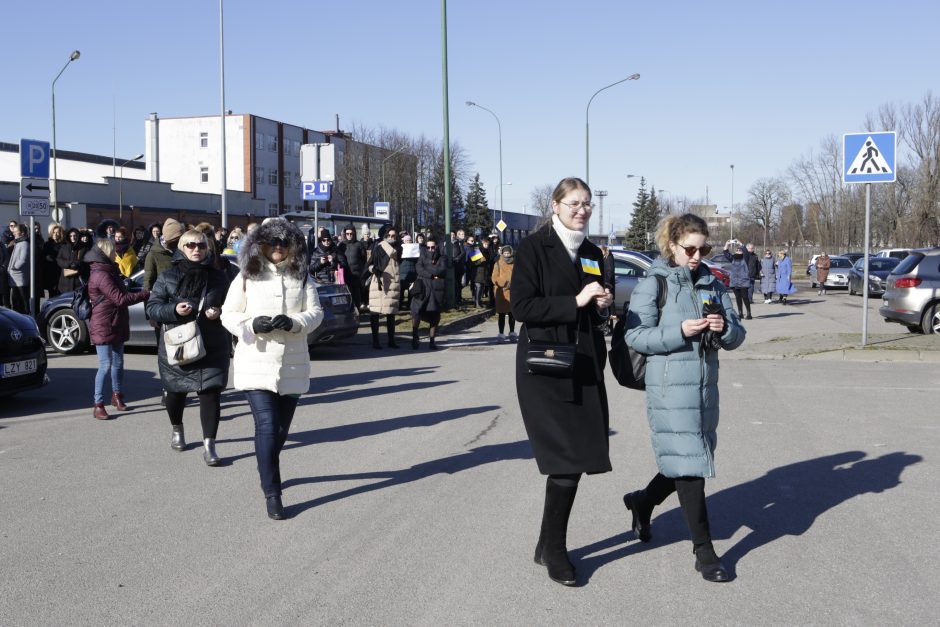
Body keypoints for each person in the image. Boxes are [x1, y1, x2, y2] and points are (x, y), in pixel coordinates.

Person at [623, 213, 745, 583]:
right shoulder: (654, 283)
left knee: (686, 457)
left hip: (705, 386)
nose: (696, 255)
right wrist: (678, 331)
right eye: (689, 248)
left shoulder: (712, 282)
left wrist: (725, 330)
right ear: (671, 246)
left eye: (703, 248)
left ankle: (642, 502)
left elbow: (739, 334)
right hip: (669, 386)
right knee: (691, 466)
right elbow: (636, 336)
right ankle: (704, 552)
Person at [512, 177, 613, 586]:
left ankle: (545, 544)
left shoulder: (591, 252)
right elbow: (522, 306)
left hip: (584, 362)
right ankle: (556, 551)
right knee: (565, 460)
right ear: (555, 206)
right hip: (545, 366)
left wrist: (603, 305)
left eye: (586, 204)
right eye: (573, 203)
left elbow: (595, 304)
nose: (581, 210)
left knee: (580, 457)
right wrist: (575, 302)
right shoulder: (534, 247)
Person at [221, 218, 323, 520]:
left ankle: (266, 464)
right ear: (259, 244)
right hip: (256, 361)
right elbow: (228, 314)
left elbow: (316, 313)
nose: (278, 247)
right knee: (266, 425)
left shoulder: (302, 277)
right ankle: (273, 492)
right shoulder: (245, 277)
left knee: (280, 430)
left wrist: (295, 323)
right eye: (272, 241)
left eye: (284, 242)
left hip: (292, 363)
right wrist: (251, 324)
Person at [146, 229, 232, 466]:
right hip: (178, 344)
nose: (197, 249)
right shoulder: (167, 276)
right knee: (175, 394)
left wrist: (220, 312)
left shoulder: (219, 276)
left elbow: (235, 307)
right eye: (191, 245)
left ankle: (209, 446)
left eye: (201, 246)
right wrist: (173, 310)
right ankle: (177, 428)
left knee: (211, 394)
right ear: (182, 248)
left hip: (212, 343)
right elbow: (152, 308)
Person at [86, 238, 150, 419]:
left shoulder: (109, 270)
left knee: (118, 363)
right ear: (105, 253)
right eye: (113, 250)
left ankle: (117, 396)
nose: (116, 253)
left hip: (116, 321)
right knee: (105, 365)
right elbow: (120, 299)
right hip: (103, 324)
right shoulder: (101, 274)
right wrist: (145, 294)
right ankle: (98, 404)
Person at [409, 234, 447, 350]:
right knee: (416, 313)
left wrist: (427, 269)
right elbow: (418, 268)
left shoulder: (442, 258)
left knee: (435, 316)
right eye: (428, 247)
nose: (430, 249)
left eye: (433, 247)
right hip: (422, 289)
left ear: (436, 247)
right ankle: (415, 337)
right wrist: (431, 274)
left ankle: (432, 341)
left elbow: (441, 270)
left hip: (435, 291)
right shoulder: (422, 256)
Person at [368, 225, 402, 349]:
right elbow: (369, 264)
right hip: (378, 283)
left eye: (393, 236)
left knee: (391, 313)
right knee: (375, 313)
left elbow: (393, 253)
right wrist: (373, 269)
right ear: (385, 235)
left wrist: (382, 242)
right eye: (388, 235)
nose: (391, 238)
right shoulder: (377, 248)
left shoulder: (398, 248)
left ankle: (391, 340)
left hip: (392, 283)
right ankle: (375, 341)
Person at [144, 218, 184, 290]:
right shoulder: (153, 254)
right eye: (178, 240)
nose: (180, 243)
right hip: (163, 297)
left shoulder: (183, 250)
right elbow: (148, 281)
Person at [338, 225, 367, 311]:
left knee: (356, 296)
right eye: (347, 234)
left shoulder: (359, 245)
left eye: (351, 233)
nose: (349, 235)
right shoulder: (341, 245)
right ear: (345, 234)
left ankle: (357, 313)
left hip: (356, 275)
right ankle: (349, 314)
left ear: (354, 234)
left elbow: (364, 258)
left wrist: (361, 271)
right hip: (345, 275)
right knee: (347, 296)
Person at [491, 245, 516, 341]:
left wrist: (513, 284)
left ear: (511, 253)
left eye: (508, 253)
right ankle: (501, 333)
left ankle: (512, 332)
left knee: (512, 314)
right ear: (502, 253)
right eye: (505, 253)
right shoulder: (498, 263)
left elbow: (518, 276)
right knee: (501, 314)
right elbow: (494, 278)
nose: (506, 255)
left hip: (512, 292)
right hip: (501, 293)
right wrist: (504, 283)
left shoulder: (515, 263)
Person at [723, 241, 752, 319]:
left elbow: (745, 251)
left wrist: (741, 244)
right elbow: (726, 253)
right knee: (738, 298)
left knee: (745, 297)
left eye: (740, 250)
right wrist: (727, 244)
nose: (738, 251)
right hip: (734, 281)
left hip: (743, 281)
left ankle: (749, 313)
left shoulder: (745, 258)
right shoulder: (733, 259)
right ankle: (740, 313)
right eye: (737, 250)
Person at [56, 228, 90, 295]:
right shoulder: (64, 247)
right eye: (70, 236)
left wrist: (77, 264)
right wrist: (68, 264)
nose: (73, 238)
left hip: (78, 280)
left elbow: (85, 260)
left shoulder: (83, 247)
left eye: (74, 235)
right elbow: (59, 259)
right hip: (65, 281)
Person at [7, 224, 30, 314]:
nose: (14, 234)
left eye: (15, 232)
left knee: (22, 302)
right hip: (14, 278)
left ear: (22, 233)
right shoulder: (18, 242)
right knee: (16, 302)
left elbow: (23, 260)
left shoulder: (24, 243)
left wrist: (13, 268)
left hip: (20, 278)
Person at [42, 223, 65, 298]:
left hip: (61, 273)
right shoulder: (47, 244)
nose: (55, 234)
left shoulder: (64, 245)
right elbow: (45, 257)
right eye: (54, 232)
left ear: (60, 233)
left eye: (57, 232)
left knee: (61, 294)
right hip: (50, 273)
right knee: (52, 294)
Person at [450, 229, 466, 304]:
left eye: (453, 235)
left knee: (458, 283)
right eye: (451, 235)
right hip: (450, 265)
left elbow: (463, 252)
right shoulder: (446, 243)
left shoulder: (458, 243)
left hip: (458, 265)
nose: (452, 236)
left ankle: (458, 298)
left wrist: (457, 258)